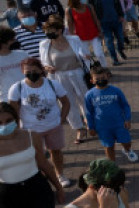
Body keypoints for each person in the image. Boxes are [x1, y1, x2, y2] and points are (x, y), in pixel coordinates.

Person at [8, 56, 73, 187]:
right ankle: (45, 178)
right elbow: (13, 111)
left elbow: (66, 103)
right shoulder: (17, 88)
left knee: (56, 152)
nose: (32, 73)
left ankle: (60, 174)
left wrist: (61, 119)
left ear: (41, 70)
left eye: (35, 70)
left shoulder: (52, 84)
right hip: (31, 130)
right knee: (38, 156)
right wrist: (17, 129)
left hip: (53, 126)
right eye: (28, 71)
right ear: (22, 71)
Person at [39, 16, 90, 144]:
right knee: (68, 103)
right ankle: (79, 129)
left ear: (60, 30)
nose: (48, 33)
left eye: (51, 30)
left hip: (77, 73)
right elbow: (43, 62)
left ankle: (91, 123)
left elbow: (84, 55)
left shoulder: (74, 39)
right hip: (59, 76)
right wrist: (46, 67)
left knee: (84, 100)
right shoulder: (44, 44)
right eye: (46, 30)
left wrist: (86, 56)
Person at [84, 65, 138, 163]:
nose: (101, 80)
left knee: (126, 142)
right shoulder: (89, 95)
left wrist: (127, 119)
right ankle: (112, 165)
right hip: (102, 126)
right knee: (108, 146)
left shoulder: (116, 91)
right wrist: (90, 126)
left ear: (108, 77)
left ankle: (127, 150)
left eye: (103, 78)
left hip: (119, 123)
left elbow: (125, 106)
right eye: (97, 79)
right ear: (91, 80)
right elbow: (88, 112)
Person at [89, 0, 127, 66]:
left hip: (116, 20)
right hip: (103, 22)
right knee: (109, 41)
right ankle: (114, 59)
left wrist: (121, 15)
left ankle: (120, 49)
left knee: (121, 38)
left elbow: (118, 5)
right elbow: (91, 9)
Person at [66, 0, 107, 67]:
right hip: (80, 36)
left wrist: (100, 31)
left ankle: (104, 68)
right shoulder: (69, 10)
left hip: (94, 33)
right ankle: (89, 71)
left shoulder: (89, 7)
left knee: (99, 54)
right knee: (86, 56)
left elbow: (95, 19)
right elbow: (70, 25)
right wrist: (72, 38)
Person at [1, 27, 29, 102]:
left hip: (29, 94)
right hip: (8, 98)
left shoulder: (22, 54)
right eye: (11, 40)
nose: (14, 41)